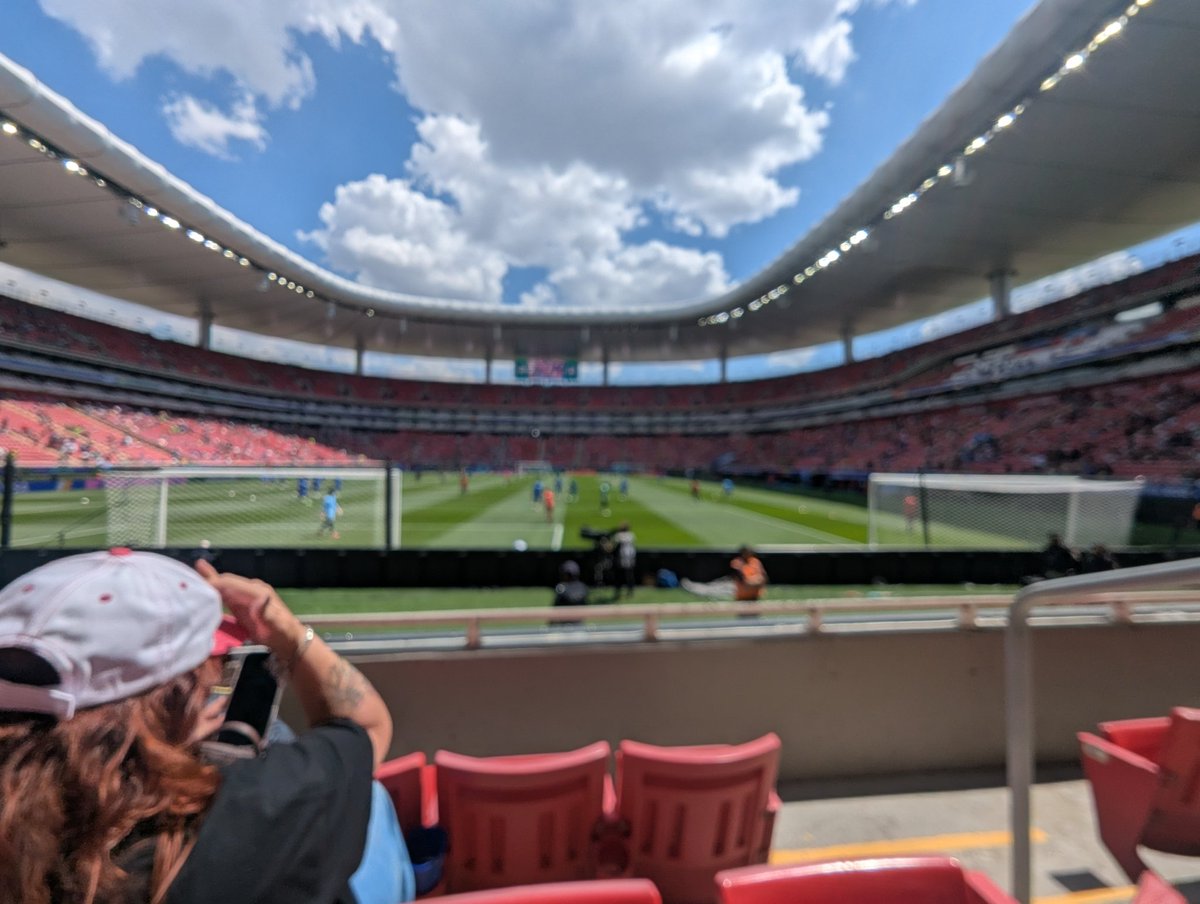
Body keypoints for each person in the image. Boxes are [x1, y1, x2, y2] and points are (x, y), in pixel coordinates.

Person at [0, 548, 394, 903]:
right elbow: (366, 727)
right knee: (371, 799)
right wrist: (289, 634)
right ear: (175, 700)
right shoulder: (253, 807)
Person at [551, 560, 589, 627]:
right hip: (574, 623)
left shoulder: (561, 587)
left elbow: (556, 607)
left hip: (571, 623)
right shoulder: (583, 587)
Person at [613, 522, 637, 598]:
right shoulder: (631, 535)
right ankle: (630, 592)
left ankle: (618, 592)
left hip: (622, 557)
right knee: (629, 576)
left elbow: (614, 546)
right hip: (630, 557)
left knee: (619, 576)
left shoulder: (618, 535)